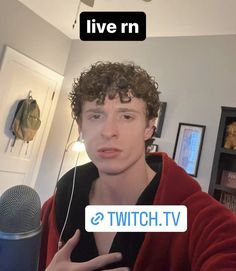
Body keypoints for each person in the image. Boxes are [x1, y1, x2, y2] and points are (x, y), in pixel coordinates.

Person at [39, 62, 236, 271]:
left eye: (126, 116)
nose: (109, 131)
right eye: (96, 116)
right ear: (80, 127)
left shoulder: (202, 220)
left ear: (149, 128)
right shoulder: (56, 207)